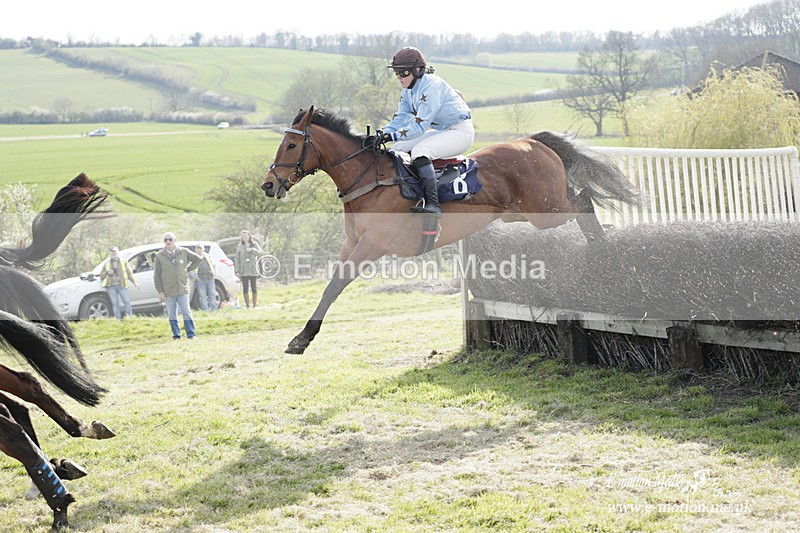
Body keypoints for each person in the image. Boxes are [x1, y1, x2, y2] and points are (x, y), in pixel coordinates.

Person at [377, 46, 474, 217]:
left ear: (417, 70)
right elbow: (400, 118)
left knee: (420, 151)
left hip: (460, 132)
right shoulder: (409, 90)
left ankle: (433, 204)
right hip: (444, 131)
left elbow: (419, 127)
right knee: (395, 150)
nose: (399, 77)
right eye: (397, 73)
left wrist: (391, 135)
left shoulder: (431, 85)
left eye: (403, 73)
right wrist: (381, 135)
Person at [153, 232, 202, 339]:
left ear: (174, 240)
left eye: (170, 239)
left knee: (186, 312)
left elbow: (198, 259)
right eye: (165, 240)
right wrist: (160, 291)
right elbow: (156, 276)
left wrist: (187, 269)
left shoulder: (183, 251)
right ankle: (176, 335)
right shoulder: (160, 256)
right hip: (168, 291)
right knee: (172, 315)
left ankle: (191, 334)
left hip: (182, 288)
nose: (168, 242)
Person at [99, 245, 139, 319]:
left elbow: (129, 273)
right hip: (111, 286)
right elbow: (101, 275)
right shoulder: (107, 263)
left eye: (115, 252)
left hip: (122, 285)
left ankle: (129, 317)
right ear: (110, 254)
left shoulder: (124, 262)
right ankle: (118, 319)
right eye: (112, 252)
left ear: (118, 252)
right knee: (115, 304)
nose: (114, 254)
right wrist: (107, 272)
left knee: (126, 301)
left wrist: (134, 282)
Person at [235, 230, 263, 308]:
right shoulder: (240, 246)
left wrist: (252, 250)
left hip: (253, 269)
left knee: (254, 287)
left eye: (246, 236)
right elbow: (237, 259)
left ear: (249, 236)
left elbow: (260, 253)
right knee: (245, 288)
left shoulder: (255, 244)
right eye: (243, 236)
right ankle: (247, 305)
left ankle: (254, 305)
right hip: (244, 271)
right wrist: (237, 270)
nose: (245, 238)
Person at [190, 244, 218, 311]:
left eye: (201, 248)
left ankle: (214, 310)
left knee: (212, 295)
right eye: (198, 248)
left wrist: (214, 273)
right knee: (202, 296)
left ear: (203, 249)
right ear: (196, 249)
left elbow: (214, 265)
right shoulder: (193, 257)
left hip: (210, 278)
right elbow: (189, 269)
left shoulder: (208, 256)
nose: (199, 250)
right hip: (200, 279)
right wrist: (195, 277)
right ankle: (205, 310)